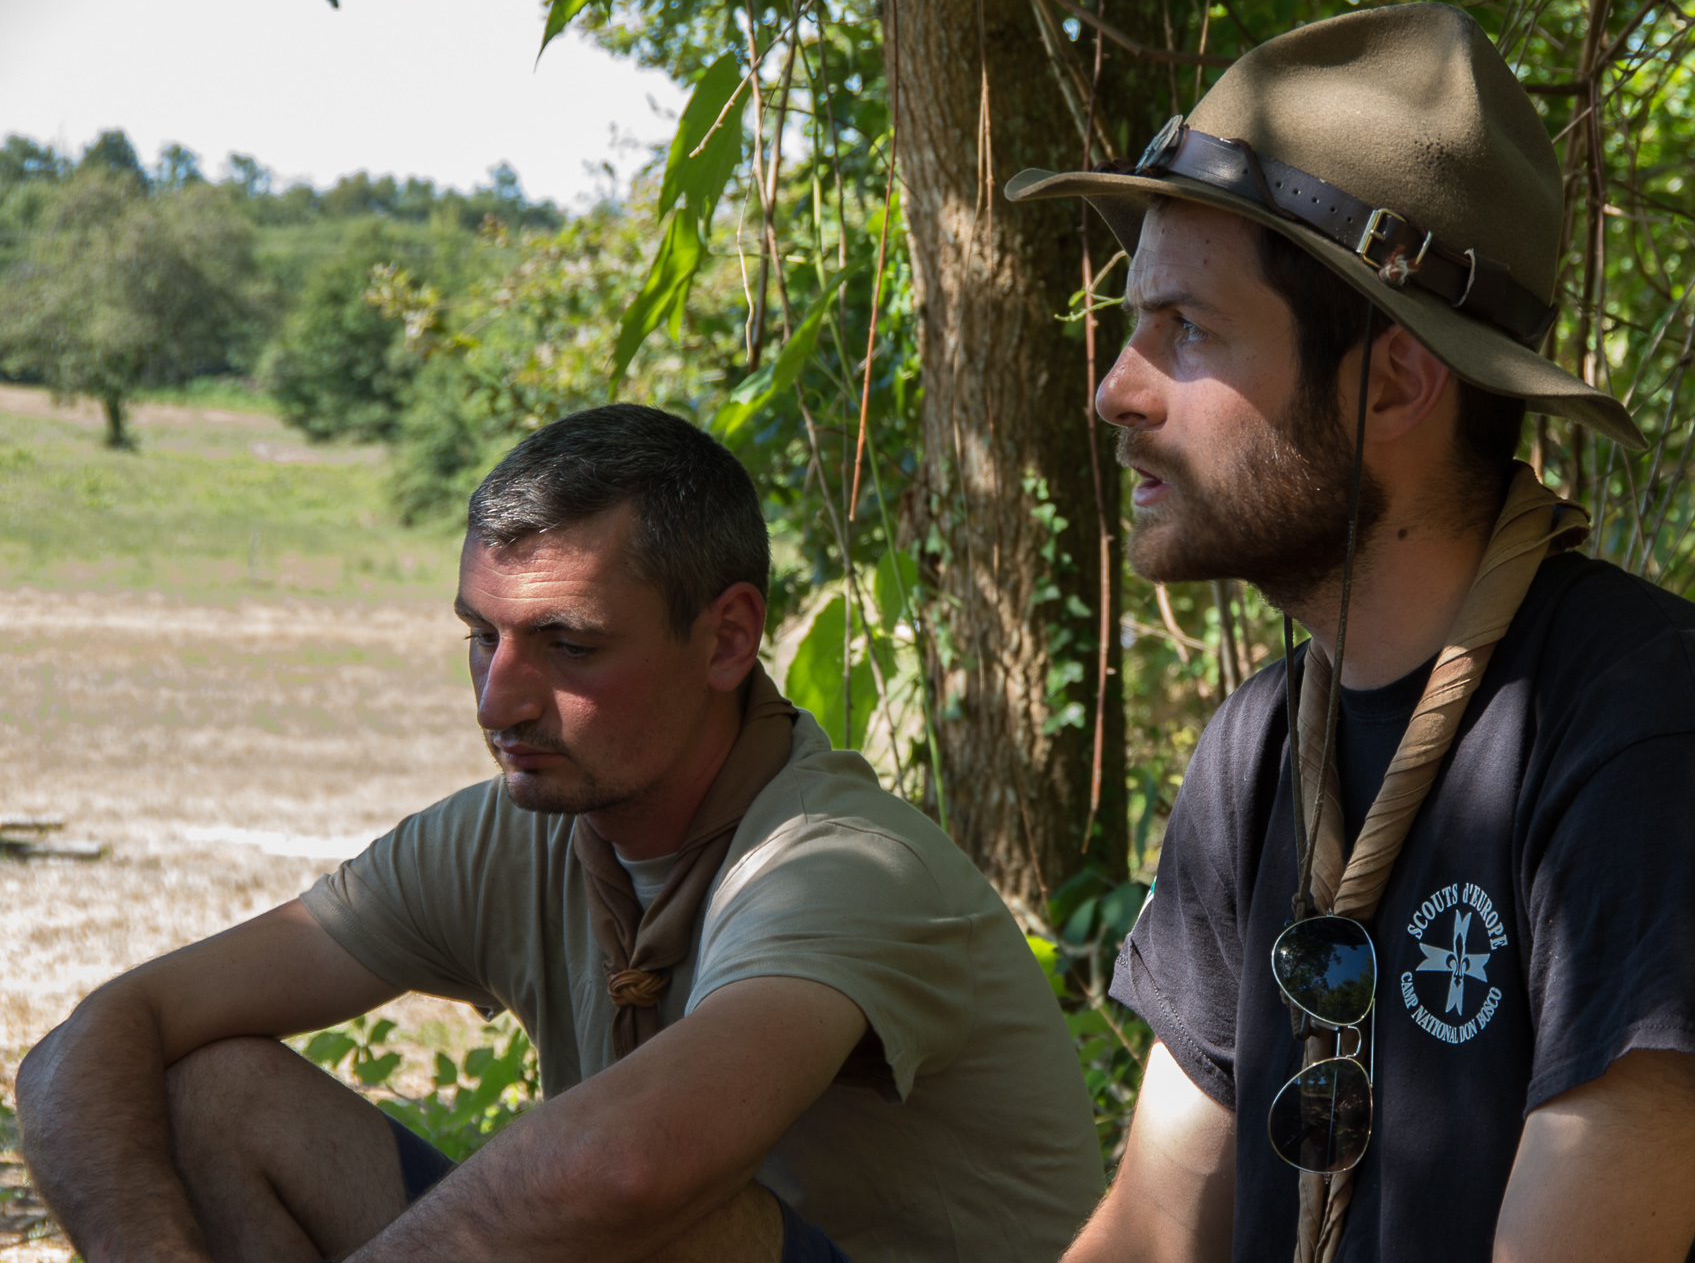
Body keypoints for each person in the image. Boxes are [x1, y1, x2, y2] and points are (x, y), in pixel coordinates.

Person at [1007, 3, 1695, 1261]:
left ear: (1392, 382)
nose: (1115, 389)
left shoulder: (1655, 742)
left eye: (1185, 328)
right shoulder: (1258, 753)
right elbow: (1153, 1231)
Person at [17, 403, 1105, 1263]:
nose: (498, 700)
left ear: (727, 639)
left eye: (568, 645)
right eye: (480, 637)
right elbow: (95, 1040)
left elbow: (630, 1170)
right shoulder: (510, 833)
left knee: (649, 1204)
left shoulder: (843, 863)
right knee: (214, 1093)